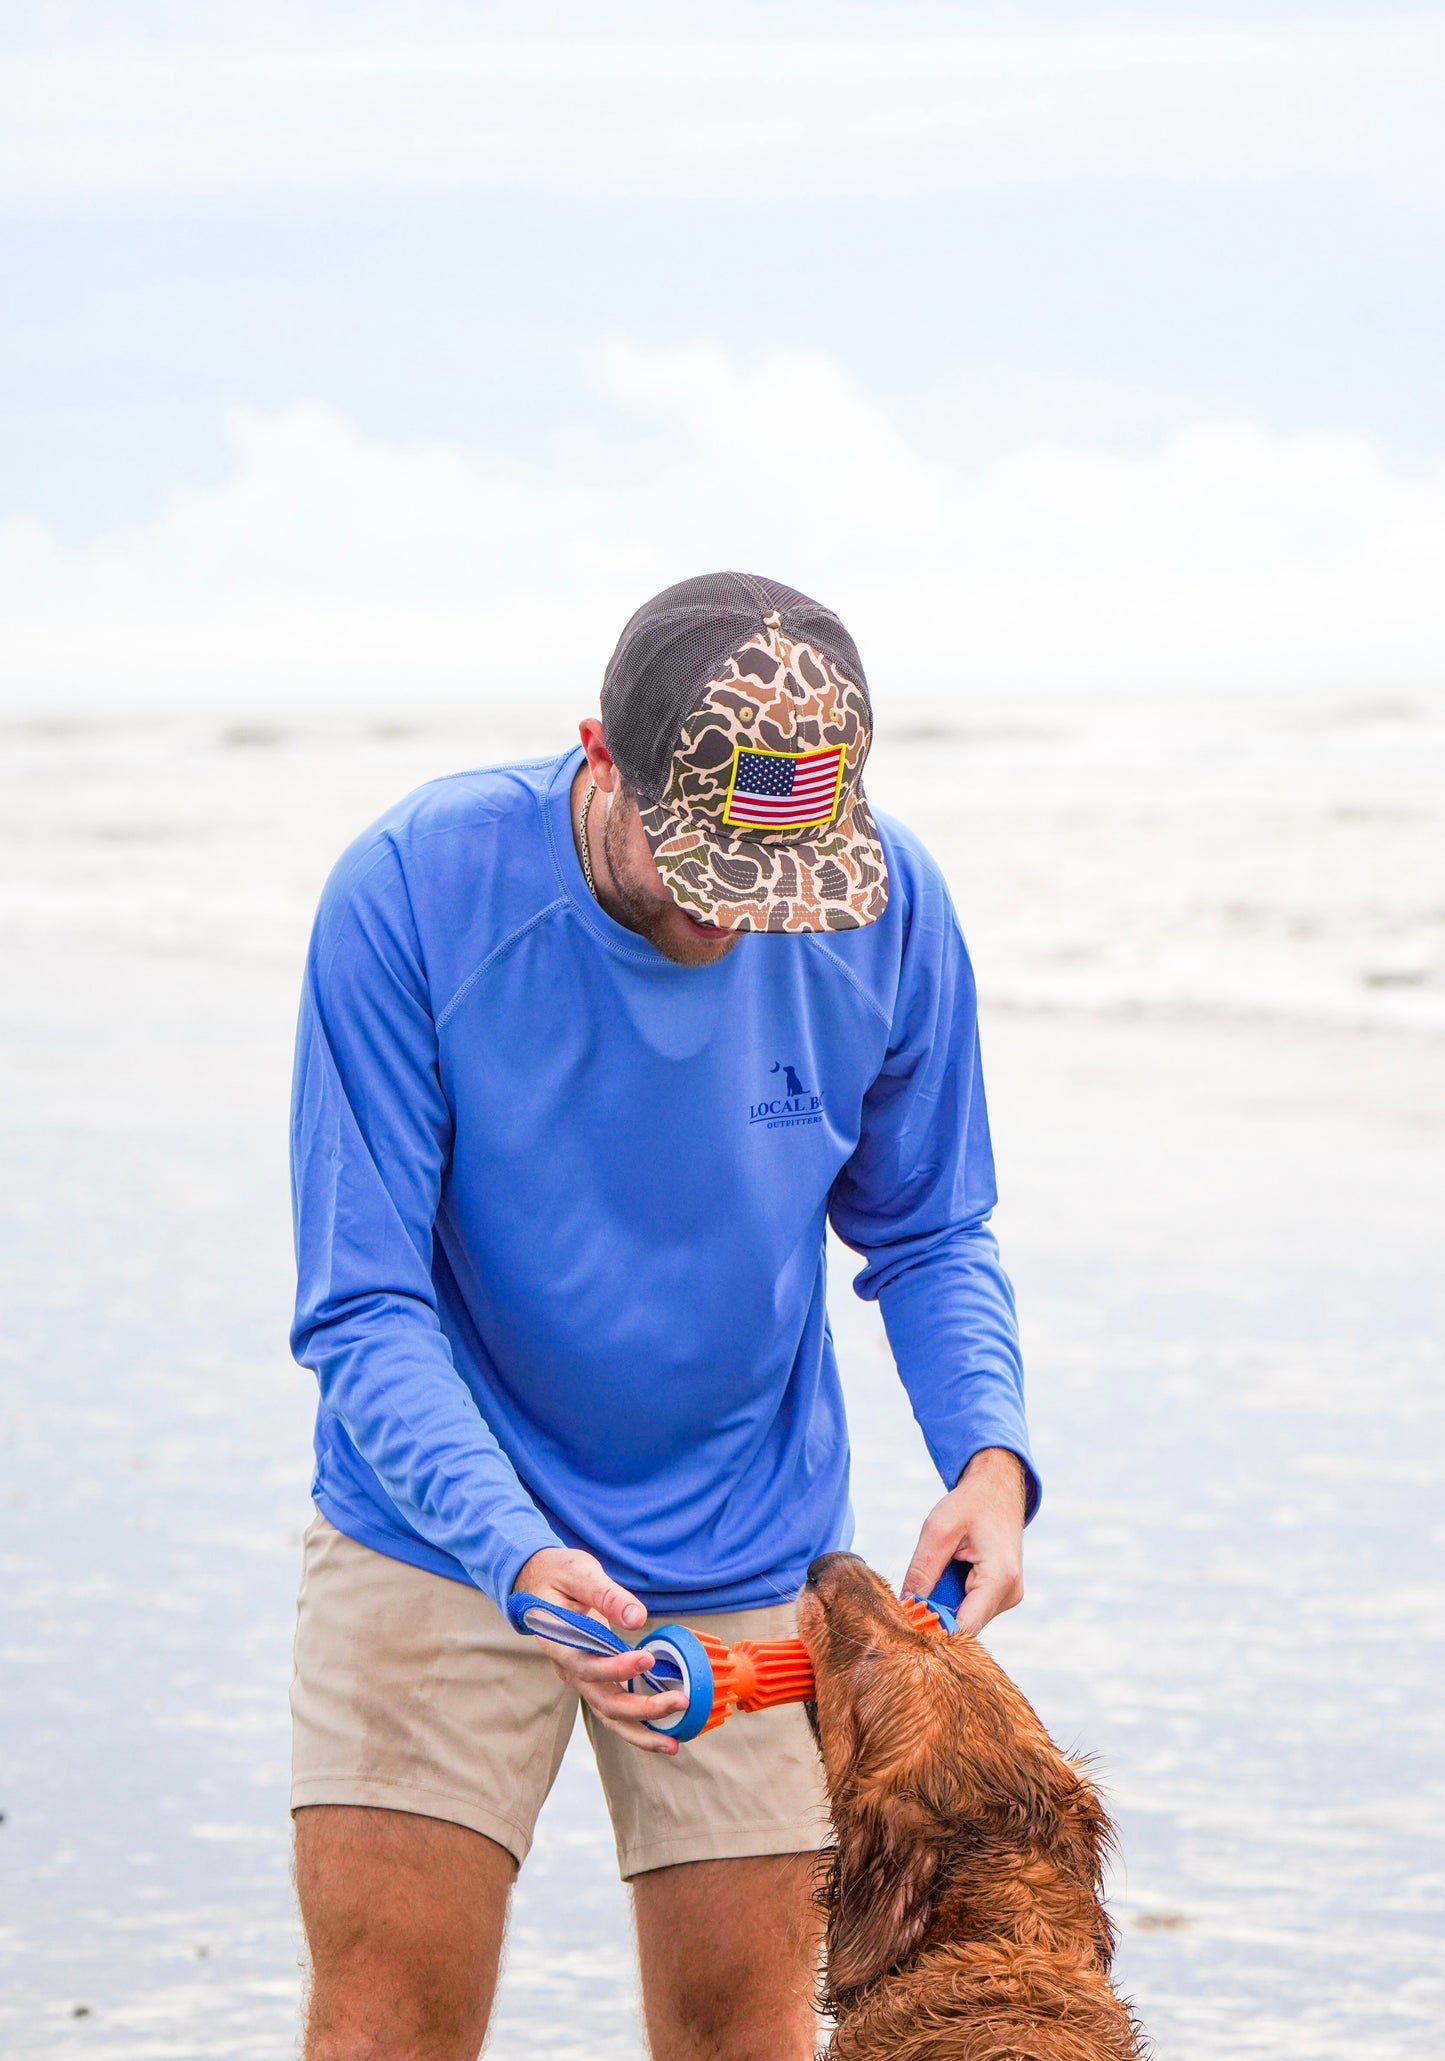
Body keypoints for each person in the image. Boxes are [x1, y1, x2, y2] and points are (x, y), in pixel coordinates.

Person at [287, 572, 1039, 2061]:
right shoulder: (413, 893)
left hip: (745, 1540)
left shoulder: (888, 908)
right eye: (706, 864)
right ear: (598, 757)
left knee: (743, 2039)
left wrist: (989, 1462)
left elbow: (932, 1224)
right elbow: (362, 1304)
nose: (740, 916)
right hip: (436, 1522)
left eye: (780, 876)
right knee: (388, 2029)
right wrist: (508, 1545)